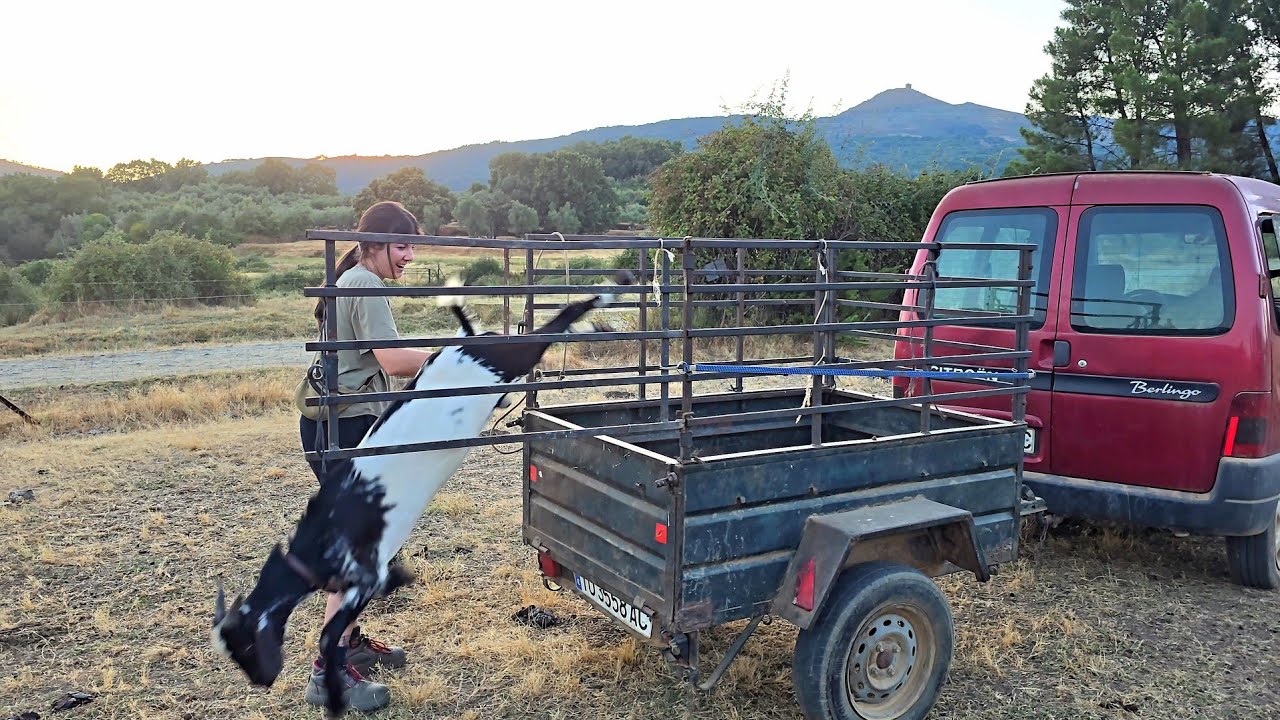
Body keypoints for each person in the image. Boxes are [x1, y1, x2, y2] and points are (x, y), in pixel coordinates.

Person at [299, 200, 436, 712]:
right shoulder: (367, 283)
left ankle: (350, 641)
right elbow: (397, 361)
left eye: (413, 246)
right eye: (402, 246)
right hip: (345, 423)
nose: (409, 256)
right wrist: (459, 355)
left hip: (333, 420)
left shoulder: (355, 279)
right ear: (375, 245)